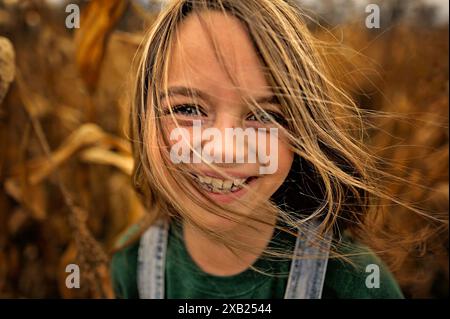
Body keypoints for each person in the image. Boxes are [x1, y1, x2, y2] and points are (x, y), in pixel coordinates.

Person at [111, 0, 404, 299]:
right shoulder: (132, 264)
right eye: (187, 108)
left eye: (264, 115)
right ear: (141, 115)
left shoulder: (354, 282)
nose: (224, 150)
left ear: (302, 129)